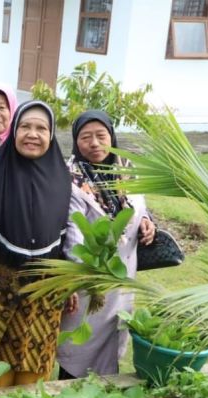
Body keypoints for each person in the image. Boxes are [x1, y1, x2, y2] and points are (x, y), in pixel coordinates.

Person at [0, 100, 72, 387]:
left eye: (41, 128)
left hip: (41, 302)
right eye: (25, 127)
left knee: (32, 382)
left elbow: (65, 239)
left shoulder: (61, 180)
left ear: (51, 134)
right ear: (14, 131)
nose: (32, 134)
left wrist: (68, 281)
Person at [58, 110, 155, 379]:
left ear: (111, 137)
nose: (94, 143)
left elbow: (138, 205)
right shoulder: (70, 178)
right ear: (76, 141)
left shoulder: (126, 170)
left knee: (113, 343)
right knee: (78, 347)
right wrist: (82, 276)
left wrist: (147, 220)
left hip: (123, 279)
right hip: (89, 282)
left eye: (101, 136)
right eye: (85, 137)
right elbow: (73, 232)